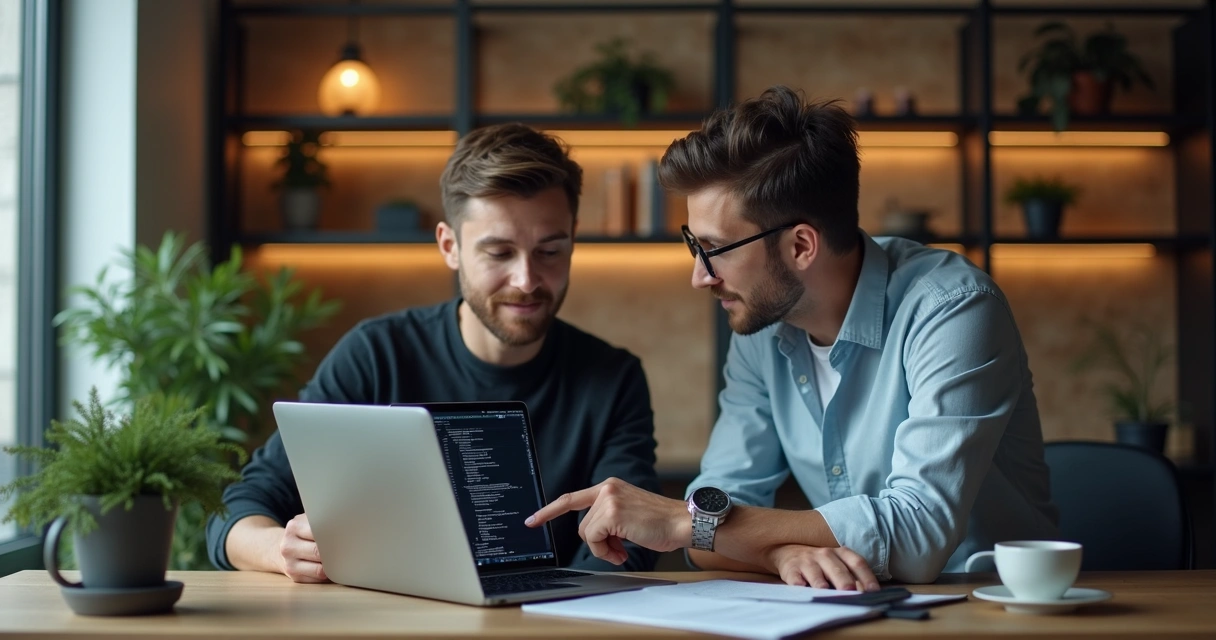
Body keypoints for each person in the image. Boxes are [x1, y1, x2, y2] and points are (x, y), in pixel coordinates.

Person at [526, 86, 1058, 590]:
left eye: (715, 249)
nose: (699, 276)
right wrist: (779, 554)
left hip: (985, 607)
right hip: (847, 605)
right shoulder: (761, 329)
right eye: (694, 246)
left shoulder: (953, 308)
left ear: (801, 246)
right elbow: (712, 526)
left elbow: (918, 536)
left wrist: (684, 520)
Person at [207, 123, 661, 582]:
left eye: (550, 251)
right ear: (450, 246)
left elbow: (628, 544)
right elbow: (237, 513)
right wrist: (279, 549)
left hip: (551, 614)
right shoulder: (376, 355)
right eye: (499, 253)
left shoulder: (614, 378)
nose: (526, 280)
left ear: (573, 239)